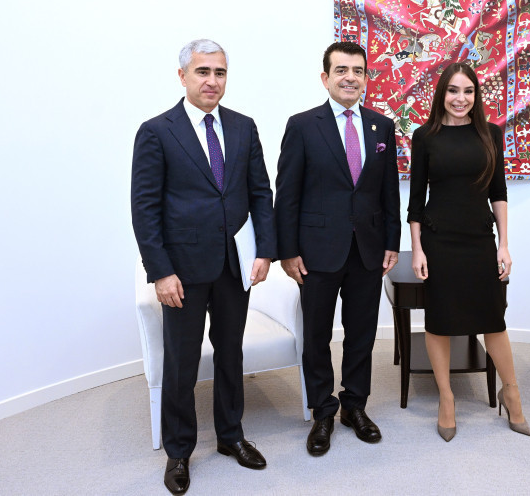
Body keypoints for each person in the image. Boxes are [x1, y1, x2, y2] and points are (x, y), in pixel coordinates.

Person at [131, 39, 276, 494]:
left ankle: (231, 435)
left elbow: (260, 193)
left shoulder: (244, 127)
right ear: (183, 76)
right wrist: (160, 272)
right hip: (182, 271)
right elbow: (145, 209)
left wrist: (265, 251)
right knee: (182, 362)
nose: (212, 81)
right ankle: (179, 451)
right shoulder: (157, 131)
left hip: (234, 266)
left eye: (220, 72)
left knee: (231, 353)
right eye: (203, 71)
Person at [275, 41, 401, 457]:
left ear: (366, 78)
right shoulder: (302, 125)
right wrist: (287, 250)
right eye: (342, 70)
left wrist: (392, 241)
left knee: (362, 333)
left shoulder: (381, 126)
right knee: (316, 335)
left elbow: (388, 191)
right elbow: (287, 194)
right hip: (316, 251)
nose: (351, 77)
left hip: (368, 249)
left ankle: (355, 406)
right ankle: (323, 412)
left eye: (358, 71)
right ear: (325, 77)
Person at [407, 62, 530, 441]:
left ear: (476, 96)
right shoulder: (425, 136)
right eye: (453, 90)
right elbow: (415, 201)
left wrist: (504, 244)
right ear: (441, 94)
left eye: (468, 91)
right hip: (439, 241)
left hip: (479, 240)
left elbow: (499, 192)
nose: (460, 99)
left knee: (493, 320)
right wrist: (417, 250)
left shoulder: (490, 134)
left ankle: (511, 393)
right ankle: (446, 399)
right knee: (439, 321)